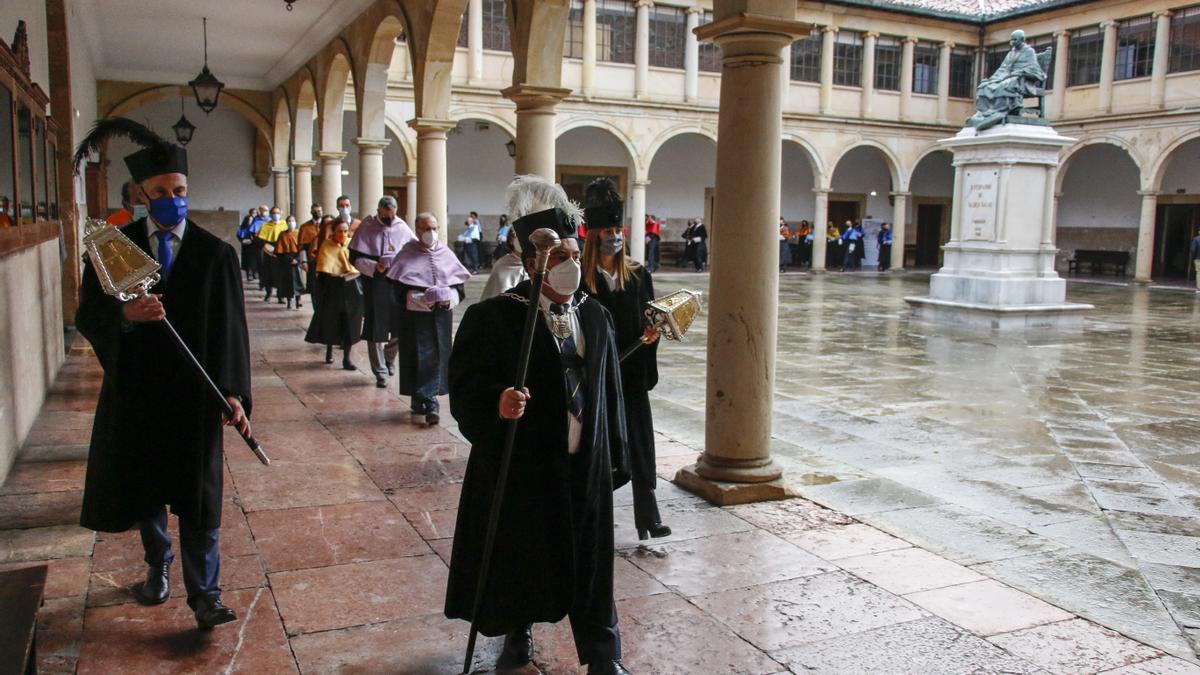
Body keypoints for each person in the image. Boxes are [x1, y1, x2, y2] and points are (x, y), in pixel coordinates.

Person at [445, 175, 630, 675]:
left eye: (574, 253)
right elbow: (463, 390)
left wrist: (613, 455)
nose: (572, 264)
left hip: (582, 465)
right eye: (560, 256)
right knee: (523, 555)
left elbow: (608, 392)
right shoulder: (493, 320)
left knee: (593, 566)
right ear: (532, 264)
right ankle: (516, 632)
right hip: (526, 466)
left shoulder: (595, 317)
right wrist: (496, 404)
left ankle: (602, 655)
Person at [73, 118, 251, 630]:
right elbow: (89, 315)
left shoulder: (215, 254)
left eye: (180, 190)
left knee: (200, 498)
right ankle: (158, 565)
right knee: (147, 489)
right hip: (138, 391)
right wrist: (125, 316)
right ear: (141, 194)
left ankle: (206, 593)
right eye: (162, 191)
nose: (173, 198)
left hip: (197, 394)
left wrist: (234, 392)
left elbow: (232, 333)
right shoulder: (114, 249)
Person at [582, 178, 671, 541]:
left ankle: (647, 514)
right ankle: (597, 514)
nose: (614, 236)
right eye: (607, 230)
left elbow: (650, 317)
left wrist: (651, 336)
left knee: (638, 443)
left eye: (618, 229)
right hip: (599, 374)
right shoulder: (583, 280)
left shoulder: (637, 275)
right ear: (593, 235)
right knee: (602, 445)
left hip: (631, 374)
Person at [388, 213, 471, 426]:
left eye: (434, 228)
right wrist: (423, 299)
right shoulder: (407, 254)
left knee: (437, 357)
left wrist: (447, 299)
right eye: (426, 229)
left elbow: (459, 289)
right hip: (414, 319)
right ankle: (423, 399)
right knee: (418, 356)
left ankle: (430, 401)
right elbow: (398, 290)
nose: (431, 233)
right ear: (417, 231)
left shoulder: (446, 253)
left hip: (441, 317)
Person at [349, 196, 415, 388]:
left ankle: (389, 359)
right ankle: (380, 372)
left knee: (399, 325)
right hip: (375, 284)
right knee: (375, 327)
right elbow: (354, 257)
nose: (389, 220)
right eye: (386, 216)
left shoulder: (402, 227)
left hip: (397, 283)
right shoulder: (367, 226)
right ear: (379, 211)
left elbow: (413, 250)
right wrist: (374, 266)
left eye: (392, 216)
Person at [305, 219, 364, 368]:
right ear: (334, 231)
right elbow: (323, 271)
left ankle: (347, 358)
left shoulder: (353, 244)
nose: (343, 234)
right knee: (332, 321)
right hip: (333, 289)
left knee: (350, 323)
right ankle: (329, 350)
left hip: (351, 288)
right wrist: (332, 276)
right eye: (340, 231)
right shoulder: (327, 245)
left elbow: (360, 264)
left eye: (345, 231)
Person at [969, 30, 1047, 129]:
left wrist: (1018, 73)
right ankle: (985, 113)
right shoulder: (1011, 53)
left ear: (1022, 40)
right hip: (1007, 76)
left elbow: (1033, 68)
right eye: (1012, 40)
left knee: (1006, 84)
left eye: (1015, 40)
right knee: (984, 86)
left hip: (1023, 80)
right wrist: (995, 78)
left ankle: (1001, 111)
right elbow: (1003, 68)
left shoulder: (1029, 51)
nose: (1013, 42)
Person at [481, 225, 528, 300]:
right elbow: (499, 293)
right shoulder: (503, 264)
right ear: (511, 240)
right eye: (518, 236)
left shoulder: (541, 263)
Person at [257, 206, 289, 302]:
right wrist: (269, 250)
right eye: (274, 213)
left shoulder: (285, 225)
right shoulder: (265, 226)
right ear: (271, 214)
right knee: (268, 273)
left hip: (282, 252)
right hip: (269, 251)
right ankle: (268, 293)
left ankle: (280, 295)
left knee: (281, 274)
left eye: (277, 213)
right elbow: (260, 240)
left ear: (281, 213)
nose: (276, 215)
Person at [274, 216, 304, 309]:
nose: (291, 223)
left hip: (297, 259)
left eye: (293, 221)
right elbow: (279, 251)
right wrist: (289, 259)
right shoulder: (283, 234)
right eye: (289, 221)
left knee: (298, 281)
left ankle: (298, 300)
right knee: (287, 282)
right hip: (286, 261)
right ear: (286, 223)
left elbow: (302, 248)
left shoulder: (299, 233)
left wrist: (298, 260)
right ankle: (289, 301)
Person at [297, 204, 323, 306]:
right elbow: (302, 246)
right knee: (313, 286)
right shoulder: (305, 227)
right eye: (315, 211)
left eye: (319, 211)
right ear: (311, 212)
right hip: (312, 260)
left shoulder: (327, 225)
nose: (318, 213)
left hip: (326, 259)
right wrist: (303, 261)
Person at [236, 207, 263, 281]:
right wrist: (243, 240)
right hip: (246, 247)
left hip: (254, 246)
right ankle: (249, 274)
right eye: (249, 220)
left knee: (255, 261)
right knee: (247, 261)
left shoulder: (257, 224)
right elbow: (239, 234)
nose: (250, 221)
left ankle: (255, 274)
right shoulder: (244, 227)